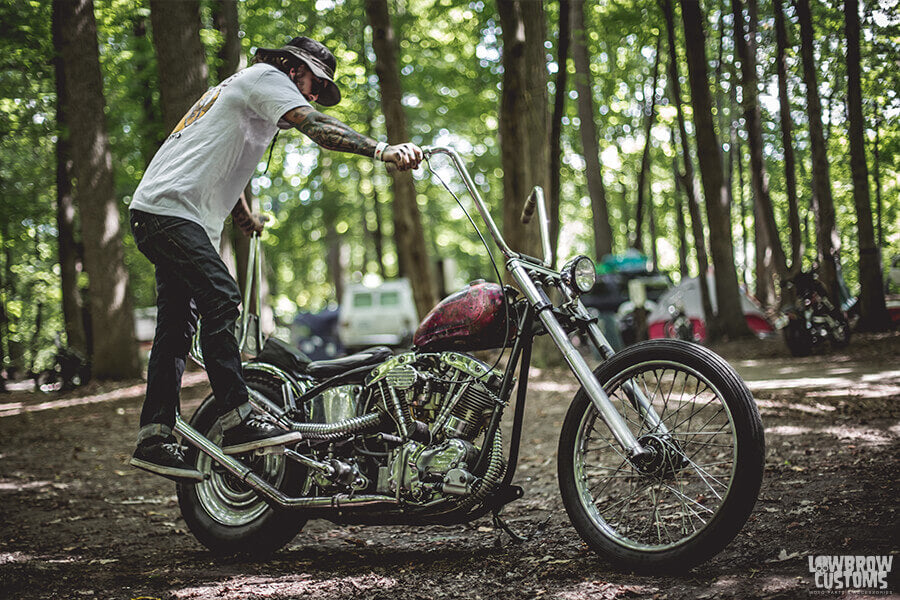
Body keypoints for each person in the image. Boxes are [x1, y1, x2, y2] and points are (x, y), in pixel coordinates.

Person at [128, 36, 423, 481]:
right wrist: (383, 150)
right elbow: (318, 128)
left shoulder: (239, 91)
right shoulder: (265, 78)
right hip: (169, 213)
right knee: (223, 298)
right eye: (313, 83)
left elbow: (219, 156)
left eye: (321, 90)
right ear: (289, 67)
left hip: (164, 213)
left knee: (176, 327)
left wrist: (243, 213)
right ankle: (237, 420)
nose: (314, 95)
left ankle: (154, 437)